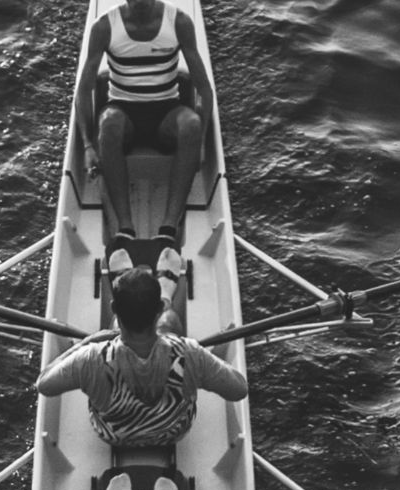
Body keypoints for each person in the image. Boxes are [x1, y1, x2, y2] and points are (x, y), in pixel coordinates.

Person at [36, 266, 246, 448]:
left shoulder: (91, 357)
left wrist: (86, 343)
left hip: (113, 435)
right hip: (173, 434)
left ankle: (131, 287)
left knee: (132, 329)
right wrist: (199, 368)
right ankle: (168, 293)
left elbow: (44, 384)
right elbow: (239, 389)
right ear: (159, 309)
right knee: (171, 321)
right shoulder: (189, 352)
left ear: (114, 309)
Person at [77, 0, 215, 254]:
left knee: (191, 124)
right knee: (108, 123)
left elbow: (204, 90)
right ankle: (124, 227)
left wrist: (203, 143)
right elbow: (84, 91)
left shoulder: (179, 22)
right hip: (123, 112)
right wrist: (87, 145)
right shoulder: (105, 27)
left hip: (166, 114)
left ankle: (169, 226)